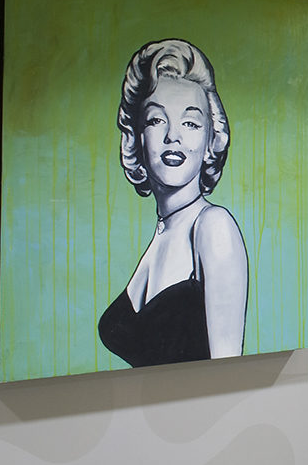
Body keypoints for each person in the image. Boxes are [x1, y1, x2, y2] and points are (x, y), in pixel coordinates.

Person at [98, 38, 248, 366]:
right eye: (156, 120)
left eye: (191, 122)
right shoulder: (163, 231)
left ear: (212, 139)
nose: (173, 136)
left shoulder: (213, 227)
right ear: (137, 136)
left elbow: (228, 372)